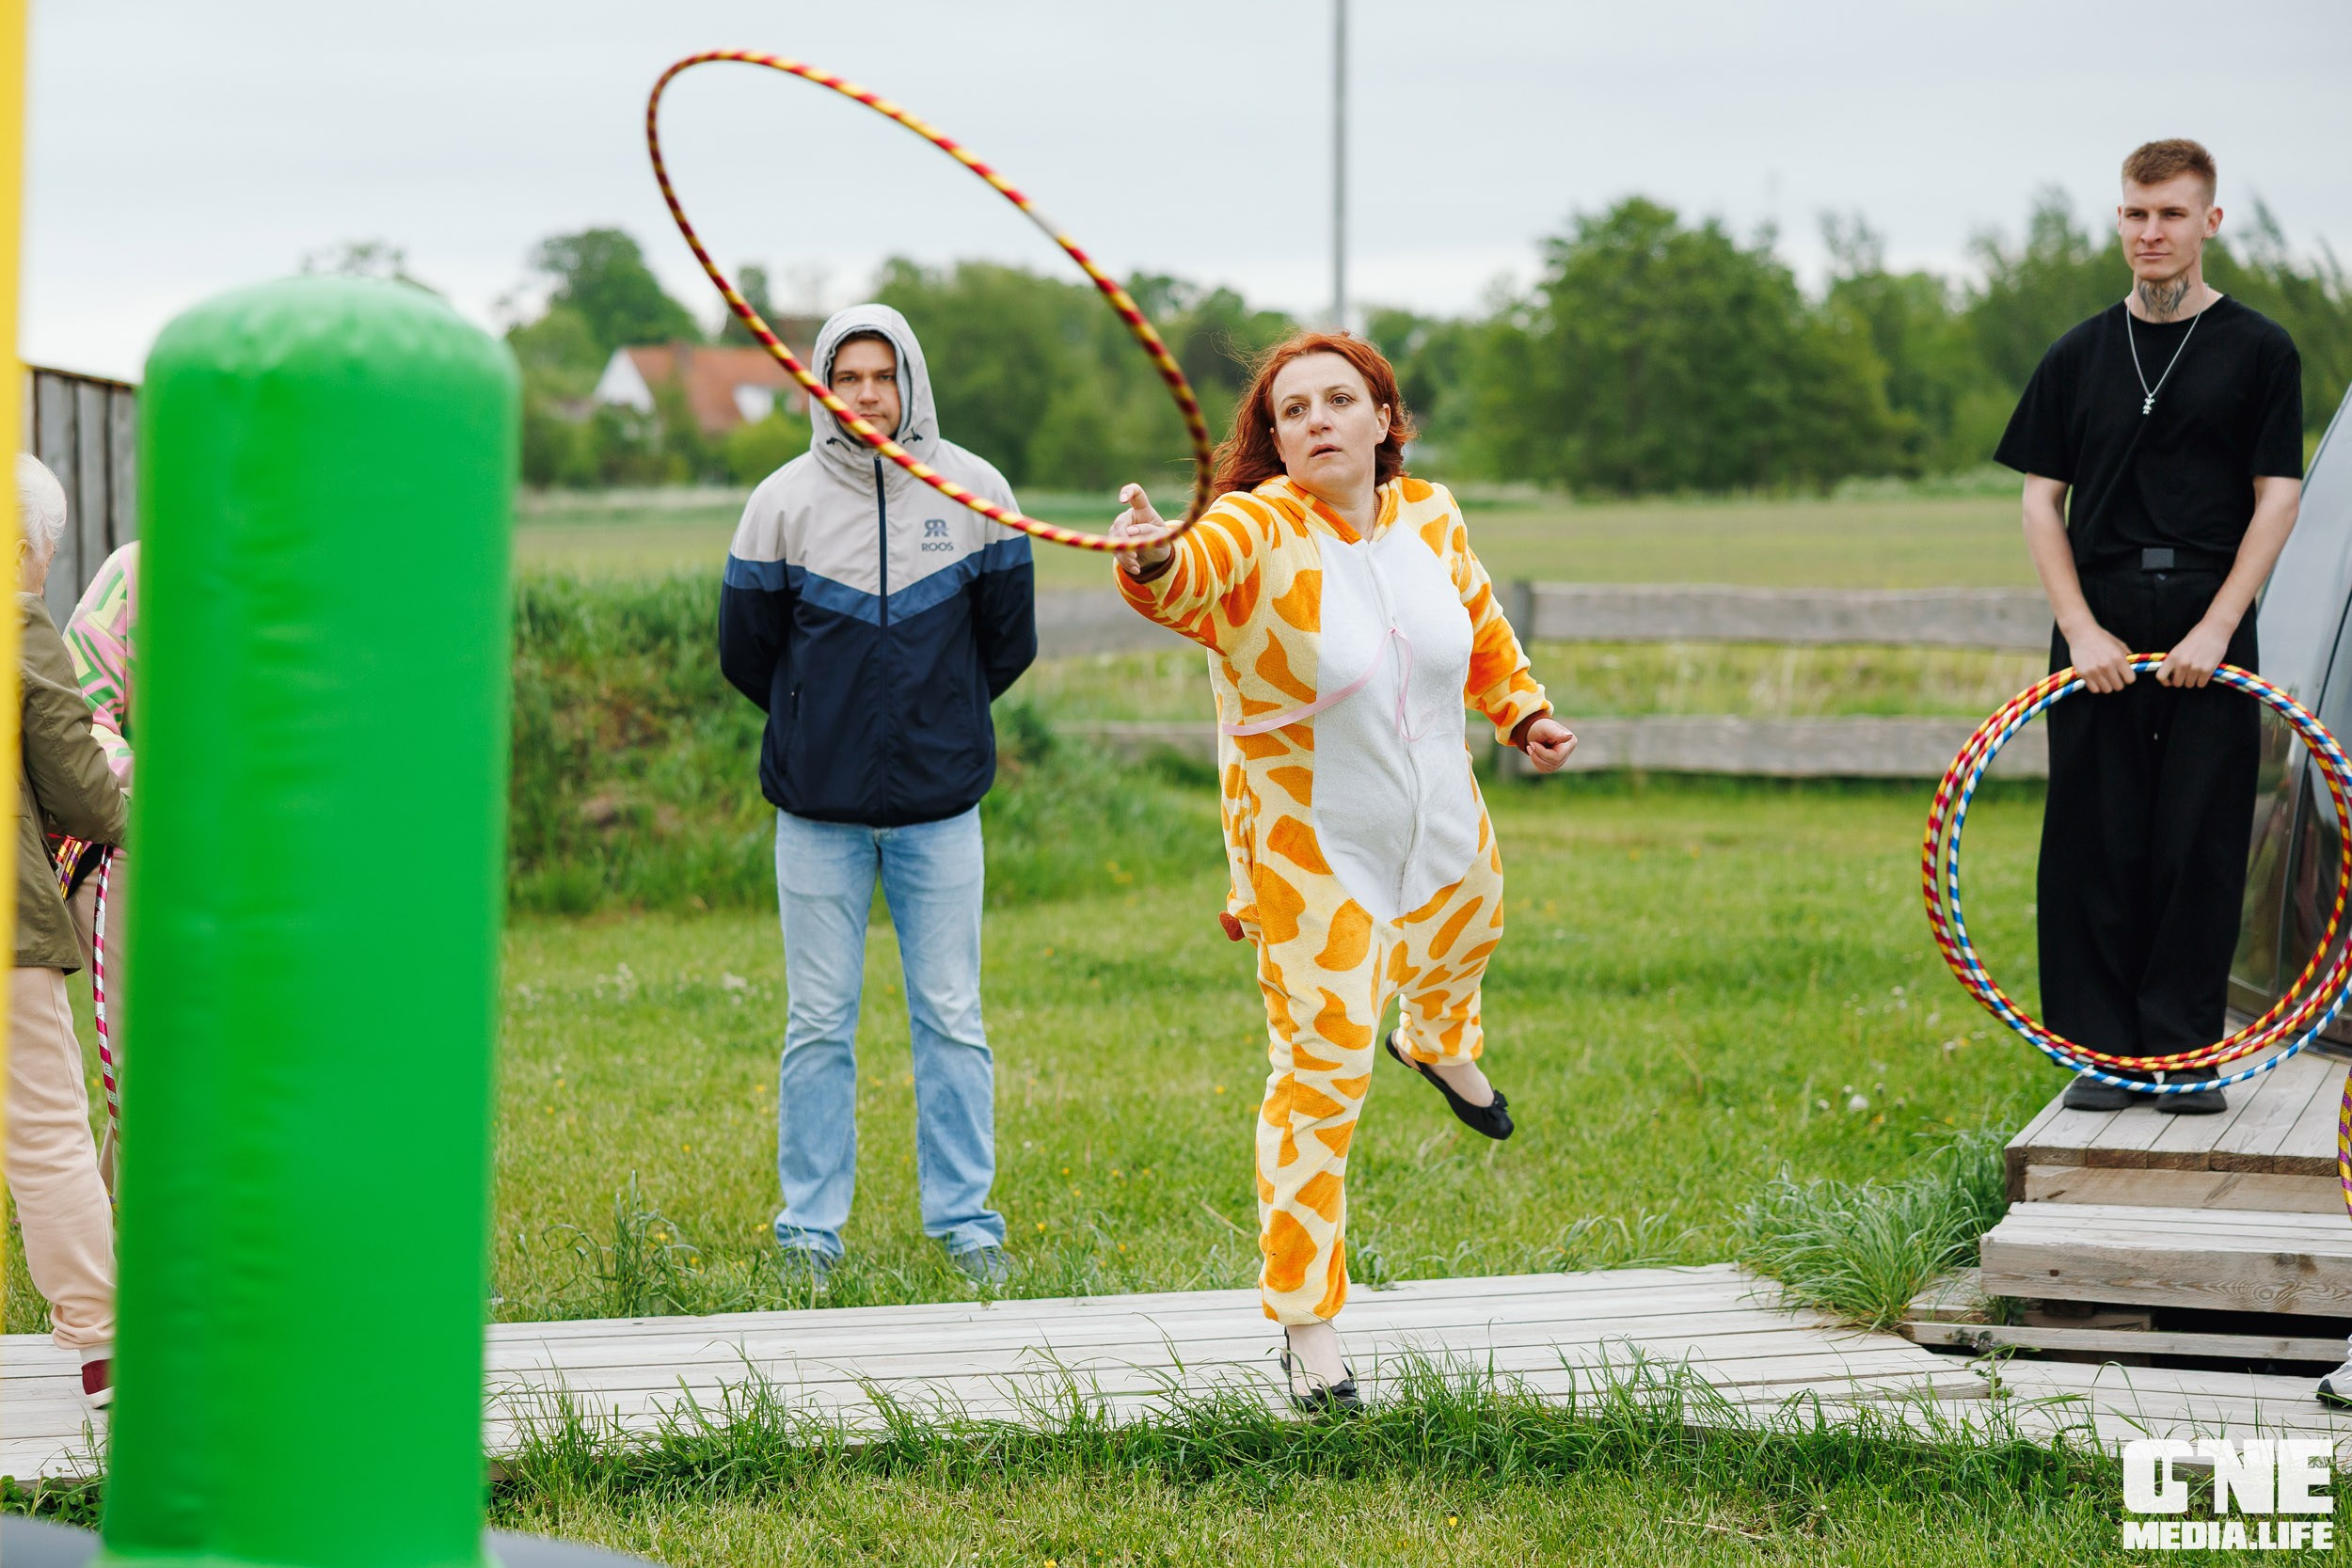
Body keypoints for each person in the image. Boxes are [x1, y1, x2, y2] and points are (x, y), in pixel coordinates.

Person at [1109, 332, 1576, 1409]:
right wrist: (1147, 557)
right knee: (1321, 1078)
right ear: (1271, 439)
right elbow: (1186, 584)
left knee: (1473, 929)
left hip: (1439, 811)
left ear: (1381, 418)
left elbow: (1482, 624)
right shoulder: (1253, 526)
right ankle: (1308, 1324)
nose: (1316, 420)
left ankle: (1438, 1037)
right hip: (1309, 850)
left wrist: (1524, 712)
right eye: (1292, 410)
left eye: (1338, 400)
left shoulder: (1431, 515)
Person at [719, 304, 1036, 1289]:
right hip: (817, 812)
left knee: (950, 1012)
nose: (865, 393)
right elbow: (747, 653)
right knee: (818, 1019)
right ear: (821, 384)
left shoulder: (974, 488)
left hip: (941, 809)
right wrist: (823, 722)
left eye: (882, 376)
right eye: (846, 375)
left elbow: (1007, 641)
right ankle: (809, 1233)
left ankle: (967, 1224)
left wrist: (937, 718)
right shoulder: (781, 501)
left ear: (910, 384)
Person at [1996, 138, 2302, 1121]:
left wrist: (2219, 626)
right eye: (2135, 213)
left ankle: (2179, 1051)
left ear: (2208, 222)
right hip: (2100, 619)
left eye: (2170, 213)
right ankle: (2103, 1051)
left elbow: (2278, 497)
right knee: (2095, 834)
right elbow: (2042, 503)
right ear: (2118, 219)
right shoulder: (2076, 353)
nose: (2149, 232)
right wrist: (2078, 627)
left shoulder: (2259, 349)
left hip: (2210, 616)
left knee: (2199, 837)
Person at [5, 454, 129, 1403]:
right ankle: (103, 1341)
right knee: (46, 1126)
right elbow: (82, 782)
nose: (43, 572)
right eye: (40, 554)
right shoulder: (16, 619)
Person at [60, 537, 135, 1193]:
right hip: (120, 845)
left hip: (240, 854)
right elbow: (81, 718)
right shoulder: (135, 576)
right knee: (160, 1049)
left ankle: (100, 1207)